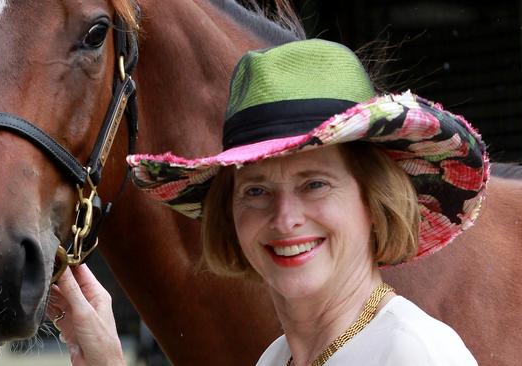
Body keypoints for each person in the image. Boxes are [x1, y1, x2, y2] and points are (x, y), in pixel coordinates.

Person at [49, 39, 488, 365]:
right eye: (256, 191)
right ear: (231, 215)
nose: (285, 219)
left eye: (315, 184)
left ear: (373, 202)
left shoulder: (415, 354)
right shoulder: (278, 359)